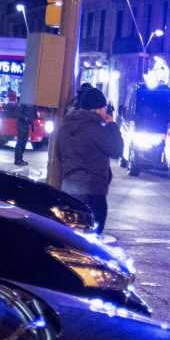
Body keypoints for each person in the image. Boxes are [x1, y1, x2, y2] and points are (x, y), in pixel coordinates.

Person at [55, 85, 123, 234]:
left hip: (68, 188)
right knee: (92, 238)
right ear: (98, 109)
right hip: (92, 191)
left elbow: (59, 154)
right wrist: (111, 124)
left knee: (71, 237)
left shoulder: (66, 125)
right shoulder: (96, 128)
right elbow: (117, 149)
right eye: (104, 108)